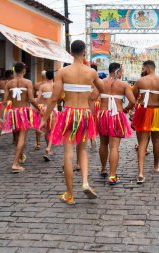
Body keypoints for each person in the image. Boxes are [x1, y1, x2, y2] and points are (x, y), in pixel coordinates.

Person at [40, 40, 104, 204]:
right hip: (84, 114)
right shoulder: (91, 72)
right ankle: (85, 182)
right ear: (84, 52)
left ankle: (69, 194)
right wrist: (91, 95)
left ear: (70, 52)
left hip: (68, 113)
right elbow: (102, 89)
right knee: (82, 150)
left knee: (68, 154)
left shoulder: (62, 72)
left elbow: (54, 98)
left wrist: (45, 118)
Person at [94, 62, 135, 185]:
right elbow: (132, 101)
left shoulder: (101, 82)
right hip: (116, 115)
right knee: (114, 147)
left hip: (103, 114)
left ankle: (103, 169)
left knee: (103, 144)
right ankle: (112, 176)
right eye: (121, 71)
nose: (122, 73)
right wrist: (126, 109)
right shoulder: (123, 84)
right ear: (117, 71)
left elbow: (93, 97)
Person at [130, 60, 159, 184]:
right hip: (157, 111)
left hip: (143, 111)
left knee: (142, 142)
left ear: (147, 68)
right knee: (156, 140)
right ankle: (156, 165)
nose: (142, 70)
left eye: (143, 68)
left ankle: (141, 173)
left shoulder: (140, 81)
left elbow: (133, 97)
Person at [0, 63, 41, 173]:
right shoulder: (27, 82)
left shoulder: (9, 83)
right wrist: (39, 109)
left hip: (12, 112)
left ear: (14, 71)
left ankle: (21, 156)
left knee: (17, 137)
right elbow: (31, 100)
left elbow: (4, 102)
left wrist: (0, 117)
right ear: (24, 71)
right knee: (22, 137)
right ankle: (15, 163)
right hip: (23, 111)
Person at [36, 70, 57, 161]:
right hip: (53, 109)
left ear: (46, 77)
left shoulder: (42, 86)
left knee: (46, 130)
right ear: (53, 77)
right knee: (52, 130)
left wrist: (38, 108)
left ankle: (48, 148)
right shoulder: (55, 86)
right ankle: (48, 148)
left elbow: (38, 99)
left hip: (44, 109)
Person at [0, 70, 14, 150]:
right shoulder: (12, 83)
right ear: (10, 75)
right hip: (10, 104)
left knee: (0, 123)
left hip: (1, 104)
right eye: (12, 75)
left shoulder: (0, 83)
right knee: (14, 122)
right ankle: (15, 140)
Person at [34, 70, 48, 150]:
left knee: (38, 124)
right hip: (47, 106)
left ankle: (38, 143)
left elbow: (33, 96)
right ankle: (48, 144)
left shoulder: (37, 85)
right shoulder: (50, 85)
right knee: (48, 126)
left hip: (38, 106)